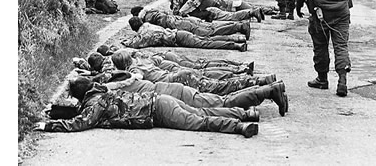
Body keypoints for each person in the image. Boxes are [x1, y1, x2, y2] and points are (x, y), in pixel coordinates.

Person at [33, 76, 260, 138]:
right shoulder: (100, 92)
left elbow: (80, 122)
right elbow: (81, 111)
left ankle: (239, 126)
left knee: (200, 122)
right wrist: (55, 110)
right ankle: (245, 113)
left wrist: (48, 126)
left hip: (159, 111)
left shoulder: (95, 104)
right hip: (160, 100)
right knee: (203, 111)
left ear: (80, 95)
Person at [104, 74, 288, 117]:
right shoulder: (127, 77)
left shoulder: (110, 89)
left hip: (176, 95)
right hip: (175, 90)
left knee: (223, 102)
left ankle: (269, 91)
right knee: (222, 99)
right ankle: (271, 87)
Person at [112, 49, 276, 96]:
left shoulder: (133, 70)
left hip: (177, 80)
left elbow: (138, 78)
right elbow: (157, 59)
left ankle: (259, 83)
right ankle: (259, 80)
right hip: (178, 75)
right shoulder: (141, 60)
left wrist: (125, 76)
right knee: (215, 82)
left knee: (219, 88)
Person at [96, 44, 254, 74]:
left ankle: (238, 69)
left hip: (161, 66)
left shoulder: (113, 62)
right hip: (163, 57)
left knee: (199, 71)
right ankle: (238, 65)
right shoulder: (124, 50)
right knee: (201, 65)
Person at [125, 17, 248, 51]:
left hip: (178, 39)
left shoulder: (144, 34)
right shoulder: (147, 25)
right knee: (208, 38)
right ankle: (237, 38)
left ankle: (235, 45)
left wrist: (125, 41)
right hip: (179, 33)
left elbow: (136, 44)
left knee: (206, 43)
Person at [131, 6, 251, 39]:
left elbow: (161, 28)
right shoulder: (153, 12)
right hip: (182, 21)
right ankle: (239, 25)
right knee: (210, 27)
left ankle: (240, 26)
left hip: (180, 25)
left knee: (209, 32)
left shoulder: (148, 19)